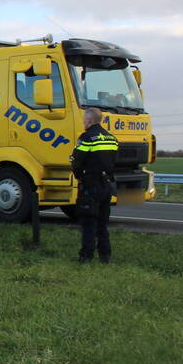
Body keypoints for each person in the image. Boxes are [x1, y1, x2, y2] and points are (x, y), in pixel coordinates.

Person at [71, 108, 119, 263]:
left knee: (88, 222)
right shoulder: (111, 138)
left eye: (84, 120)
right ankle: (105, 256)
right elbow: (114, 161)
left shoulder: (87, 138)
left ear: (90, 121)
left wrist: (79, 176)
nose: (83, 123)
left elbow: (76, 161)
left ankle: (86, 256)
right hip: (106, 185)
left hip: (90, 185)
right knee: (102, 223)